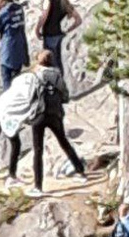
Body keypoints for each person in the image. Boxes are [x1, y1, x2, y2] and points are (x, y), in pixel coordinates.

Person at [29, 50, 88, 197]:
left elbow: (30, 96)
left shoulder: (35, 75)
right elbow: (65, 95)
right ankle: (80, 171)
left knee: (38, 150)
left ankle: (38, 185)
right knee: (64, 142)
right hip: (55, 114)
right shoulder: (56, 74)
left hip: (39, 115)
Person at [35, 0, 82, 74]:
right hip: (60, 35)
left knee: (49, 61)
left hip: (49, 35)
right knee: (58, 60)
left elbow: (44, 16)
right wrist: (68, 30)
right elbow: (78, 20)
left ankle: (55, 84)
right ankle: (61, 82)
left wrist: (37, 29)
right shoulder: (66, 3)